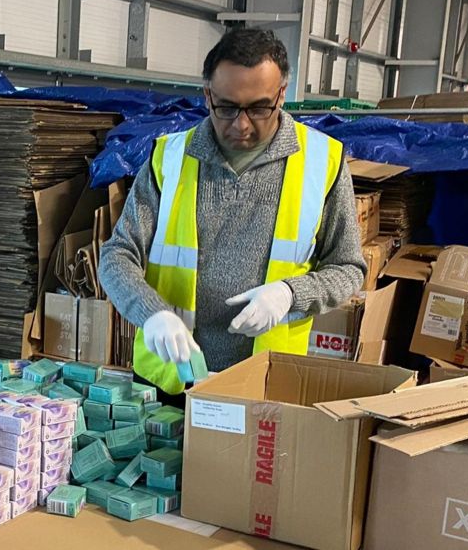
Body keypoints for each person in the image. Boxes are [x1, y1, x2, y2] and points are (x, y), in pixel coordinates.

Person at [98, 28, 365, 405]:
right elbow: (116, 256)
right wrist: (152, 314)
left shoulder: (323, 163)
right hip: (170, 378)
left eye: (258, 108)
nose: (241, 125)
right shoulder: (170, 158)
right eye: (226, 107)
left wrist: (291, 294)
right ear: (207, 95)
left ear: (281, 95)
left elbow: (349, 267)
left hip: (268, 383)